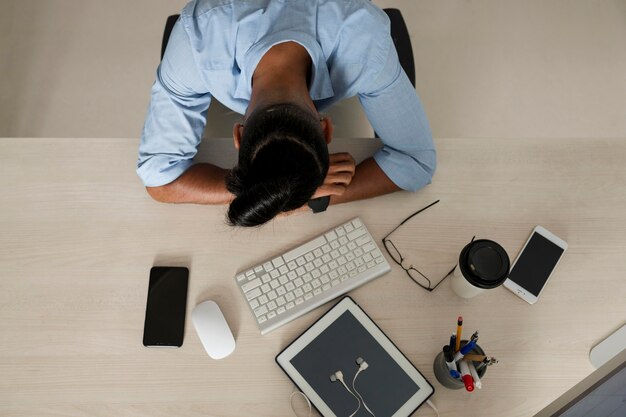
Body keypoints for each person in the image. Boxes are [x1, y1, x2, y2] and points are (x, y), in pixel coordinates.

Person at [137, 0, 436, 227]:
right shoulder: (195, 41)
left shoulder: (365, 40)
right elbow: (159, 182)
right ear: (327, 129)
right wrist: (285, 195)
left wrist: (278, 194)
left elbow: (417, 162)